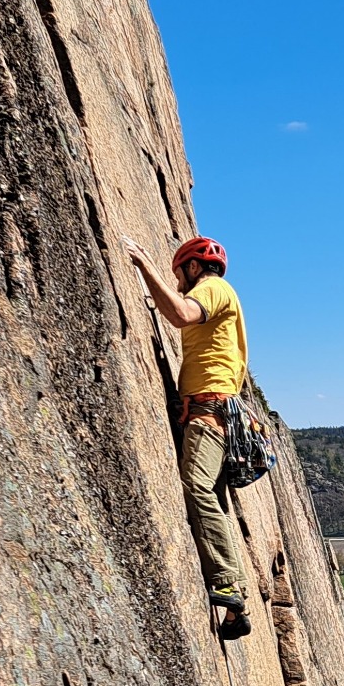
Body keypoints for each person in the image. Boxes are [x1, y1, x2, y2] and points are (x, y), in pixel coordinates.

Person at [122, 232, 253, 638]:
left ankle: (229, 585)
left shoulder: (213, 287)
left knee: (196, 488)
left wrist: (144, 266)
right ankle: (235, 608)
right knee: (210, 500)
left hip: (208, 413)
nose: (177, 279)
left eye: (179, 272)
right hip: (210, 411)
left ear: (194, 267)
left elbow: (180, 313)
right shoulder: (219, 292)